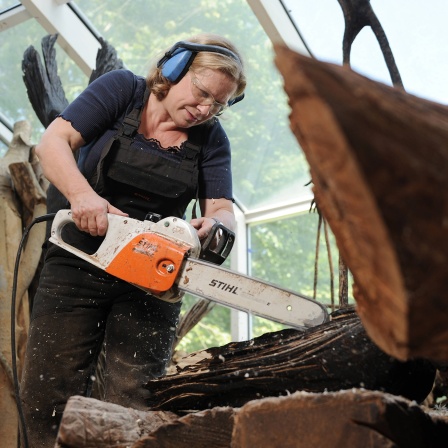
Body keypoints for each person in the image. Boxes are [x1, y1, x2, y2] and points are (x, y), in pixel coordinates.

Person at [20, 33, 246, 447]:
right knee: (48, 394)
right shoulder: (123, 90)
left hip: (152, 277)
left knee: (135, 400)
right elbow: (53, 142)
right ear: (174, 70)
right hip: (79, 260)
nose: (204, 110)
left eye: (218, 104)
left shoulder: (212, 139)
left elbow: (222, 210)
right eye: (201, 94)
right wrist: (82, 195)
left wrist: (216, 228)